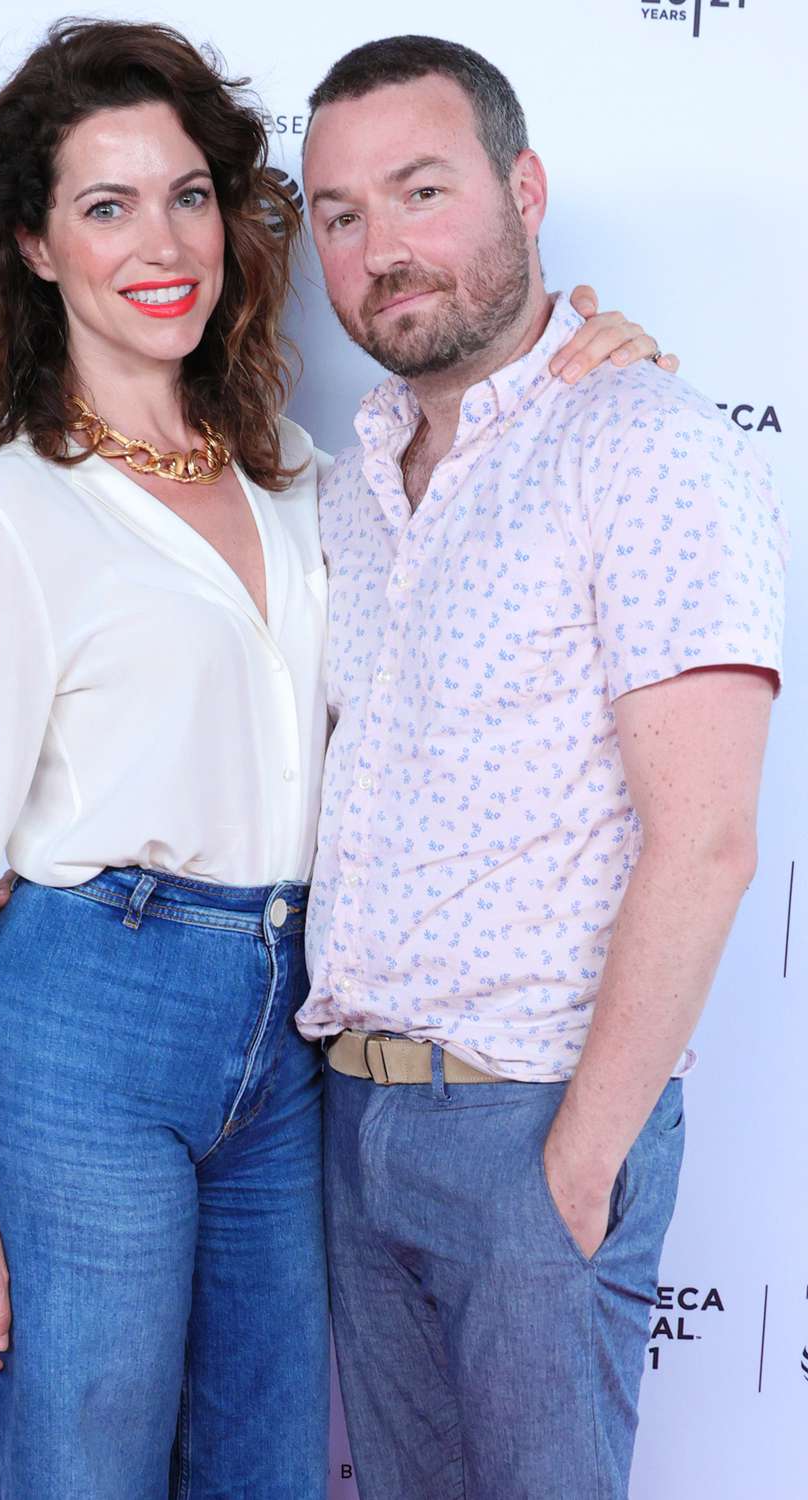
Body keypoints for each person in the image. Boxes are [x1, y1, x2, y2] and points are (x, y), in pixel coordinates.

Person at [0, 17, 673, 1499]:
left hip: (293, 1026)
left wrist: (591, 348)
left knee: (268, 1464)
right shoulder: (12, 521)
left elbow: (486, 448)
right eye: (104, 207)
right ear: (39, 251)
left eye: (186, 195)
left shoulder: (311, 476)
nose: (159, 241)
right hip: (93, 1014)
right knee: (86, 1459)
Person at [296, 34, 787, 1500]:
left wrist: (577, 1167)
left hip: (534, 1124)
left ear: (524, 189)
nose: (381, 249)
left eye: (420, 191)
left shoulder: (641, 442)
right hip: (351, 1115)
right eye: (338, 215)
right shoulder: (351, 484)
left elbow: (705, 839)